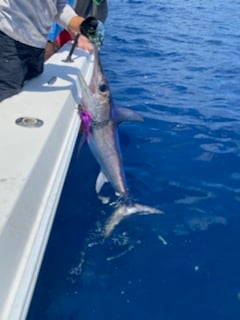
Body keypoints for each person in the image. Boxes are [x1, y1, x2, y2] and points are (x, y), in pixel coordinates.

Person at [0, 1, 95, 102]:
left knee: (29, 88)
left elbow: (58, 7)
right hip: (9, 40)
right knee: (7, 95)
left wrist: (83, 25)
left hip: (37, 47)